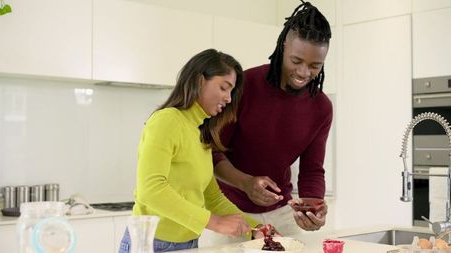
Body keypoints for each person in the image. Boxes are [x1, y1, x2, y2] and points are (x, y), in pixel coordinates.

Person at [206, 0, 333, 244]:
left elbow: (312, 170)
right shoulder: (244, 86)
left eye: (315, 66)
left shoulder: (321, 107)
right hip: (228, 208)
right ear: (284, 45)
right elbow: (213, 153)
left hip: (281, 211)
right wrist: (246, 183)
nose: (304, 73)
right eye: (297, 61)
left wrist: (313, 205)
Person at [118, 49, 265, 253]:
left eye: (231, 91)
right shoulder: (167, 120)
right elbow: (151, 189)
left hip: (188, 245)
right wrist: (215, 222)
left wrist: (257, 228)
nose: (229, 99)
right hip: (151, 245)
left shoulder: (200, 132)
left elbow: (212, 198)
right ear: (199, 81)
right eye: (224, 88)